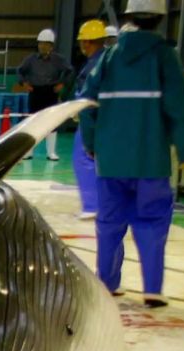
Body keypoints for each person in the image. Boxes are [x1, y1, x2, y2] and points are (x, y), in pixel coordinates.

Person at [79, 0, 184, 308]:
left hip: (110, 160)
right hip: (151, 160)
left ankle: (106, 284)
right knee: (152, 221)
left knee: (109, 223)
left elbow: (87, 106)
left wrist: (91, 144)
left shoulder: (108, 58)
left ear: (128, 17)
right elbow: (179, 106)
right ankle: (152, 289)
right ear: (160, 20)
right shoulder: (164, 57)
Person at [17, 28, 73, 161]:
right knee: (32, 121)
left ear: (51, 46)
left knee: (51, 122)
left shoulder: (58, 60)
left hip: (50, 92)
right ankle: (29, 152)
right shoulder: (30, 59)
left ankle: (51, 152)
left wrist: (63, 84)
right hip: (35, 92)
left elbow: (70, 71)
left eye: (46, 44)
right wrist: (23, 83)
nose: (42, 46)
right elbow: (19, 71)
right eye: (40, 43)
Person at [72, 20, 108, 220]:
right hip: (108, 119)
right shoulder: (107, 60)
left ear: (86, 42)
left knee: (84, 158)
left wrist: (79, 110)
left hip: (92, 118)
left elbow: (87, 96)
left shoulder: (94, 66)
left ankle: (92, 206)